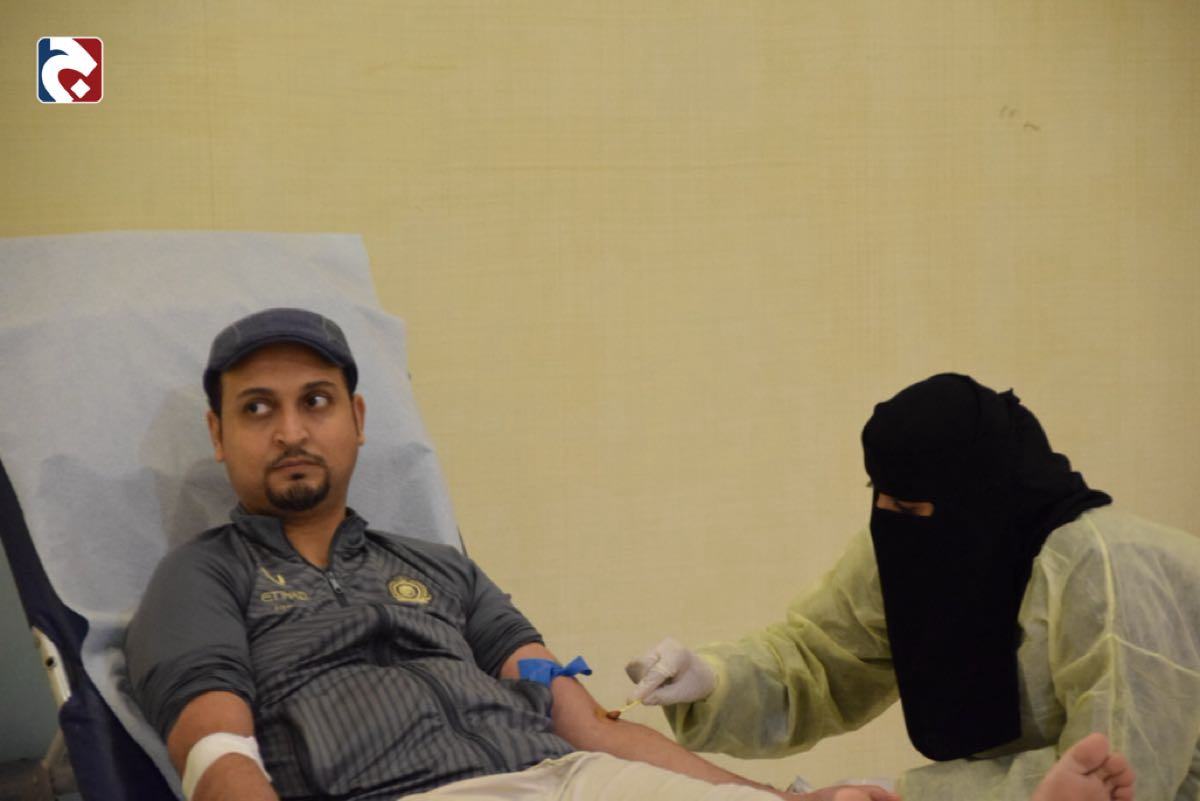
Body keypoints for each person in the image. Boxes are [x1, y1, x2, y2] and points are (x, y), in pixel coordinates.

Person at [124, 307, 900, 801]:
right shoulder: (200, 577)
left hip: (578, 779)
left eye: (315, 401)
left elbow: (593, 728)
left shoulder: (441, 567)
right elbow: (218, 760)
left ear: (356, 418)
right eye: (258, 408)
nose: (291, 430)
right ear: (219, 433)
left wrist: (783, 799)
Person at [626, 373, 1199, 800]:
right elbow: (821, 658)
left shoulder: (1111, 569)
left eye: (908, 505)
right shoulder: (913, 536)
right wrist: (713, 680)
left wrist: (901, 793)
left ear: (980, 497)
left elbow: (1118, 773)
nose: (889, 517)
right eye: (879, 495)